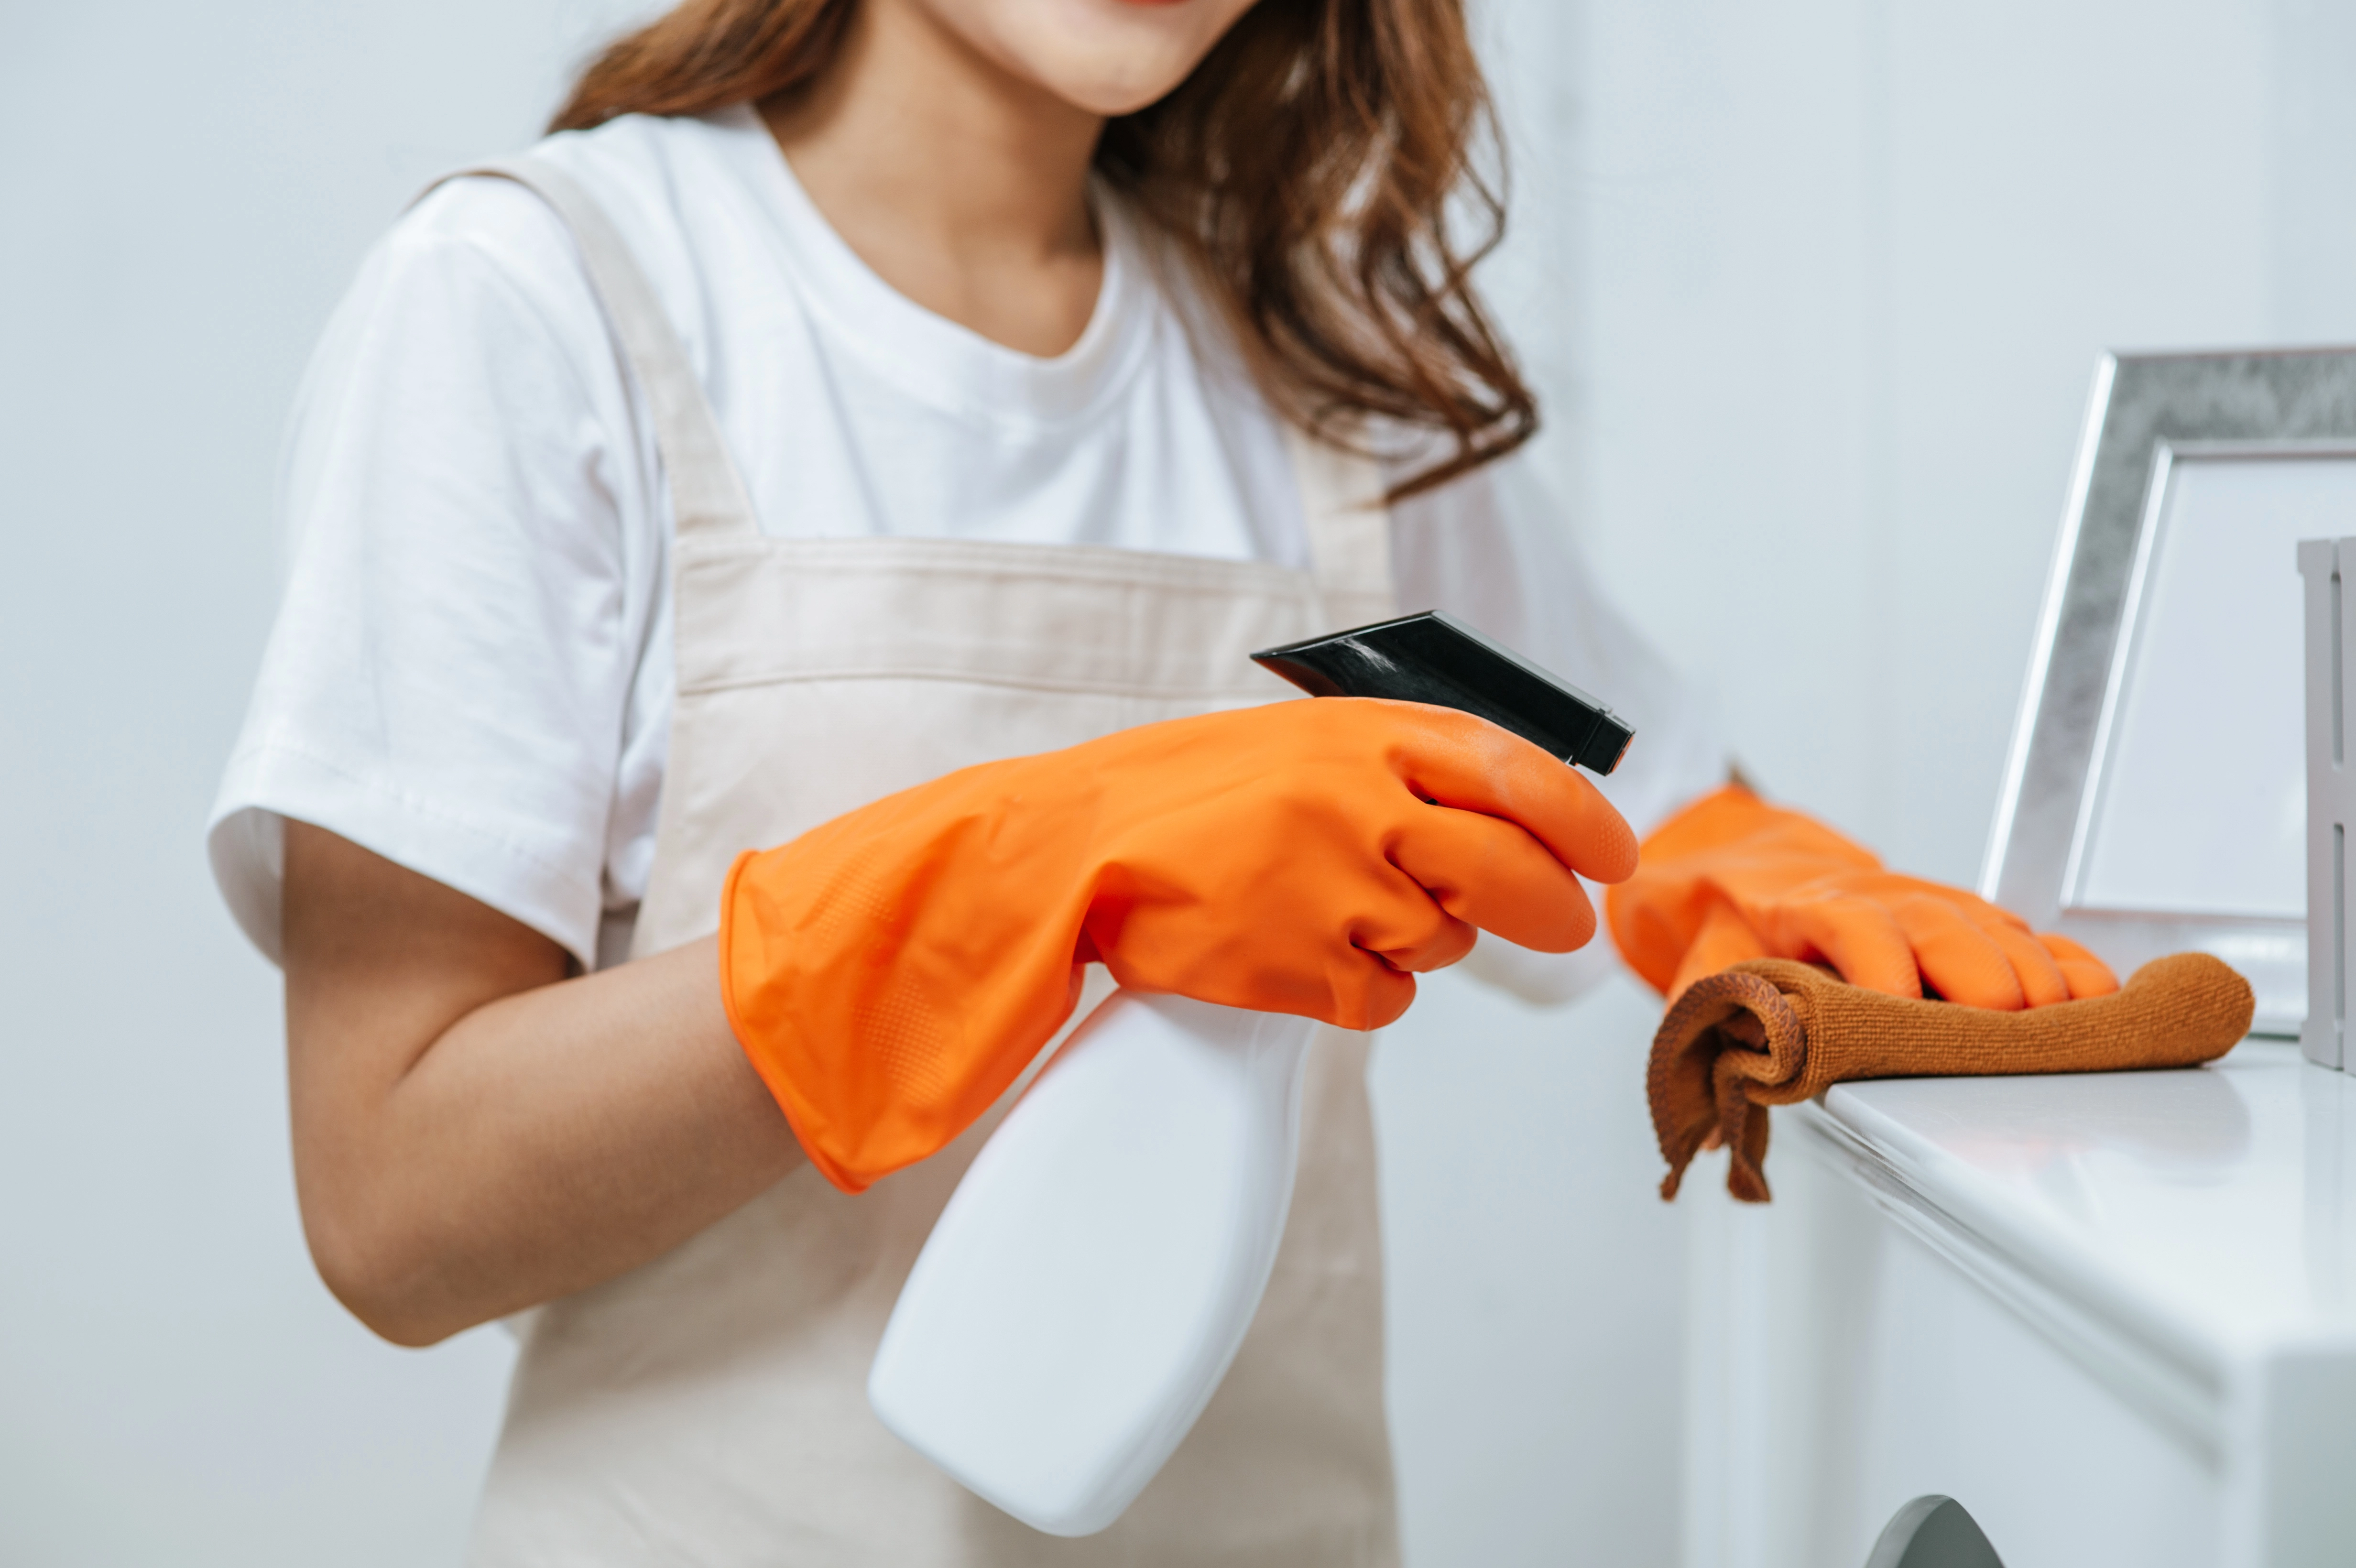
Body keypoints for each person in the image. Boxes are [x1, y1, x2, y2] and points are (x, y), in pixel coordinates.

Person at [207, 0, 2114, 1560]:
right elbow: (395, 1199)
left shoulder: (1304, 363)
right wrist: (1028, 879)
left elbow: (1644, 805)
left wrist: (1736, 880)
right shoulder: (548, 301)